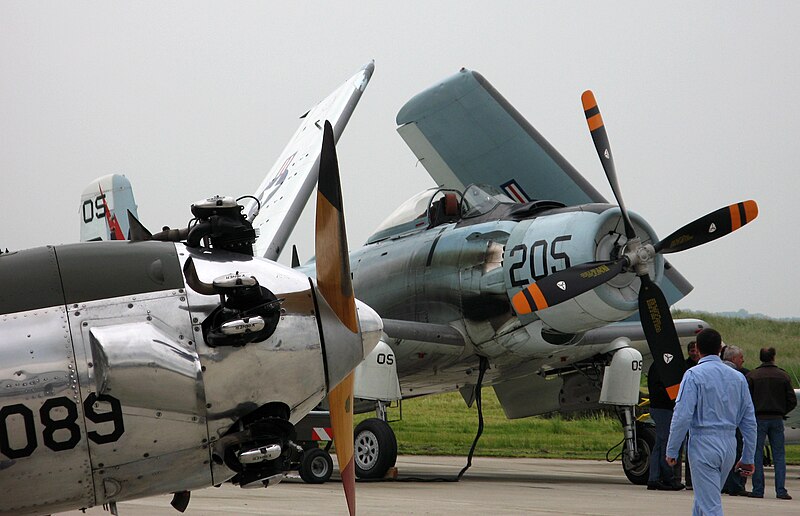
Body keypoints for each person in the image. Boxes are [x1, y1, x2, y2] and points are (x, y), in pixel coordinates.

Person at [666, 329, 756, 516]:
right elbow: (749, 421)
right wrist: (747, 457)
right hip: (729, 445)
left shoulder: (693, 375)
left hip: (703, 443)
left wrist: (672, 449)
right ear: (720, 349)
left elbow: (682, 416)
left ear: (697, 349)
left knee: (710, 506)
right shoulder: (738, 377)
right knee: (704, 500)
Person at [746, 347, 797, 500]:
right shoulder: (783, 375)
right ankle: (780, 490)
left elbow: (746, 400)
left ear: (761, 358)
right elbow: (792, 400)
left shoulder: (752, 375)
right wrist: (782, 411)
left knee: (757, 454)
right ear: (773, 357)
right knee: (779, 455)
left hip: (758, 419)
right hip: (776, 419)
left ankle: (758, 489)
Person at [647, 362, 685, 490]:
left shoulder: (657, 366)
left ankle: (655, 477)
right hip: (663, 408)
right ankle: (667, 477)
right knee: (665, 442)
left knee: (660, 442)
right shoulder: (662, 367)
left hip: (659, 406)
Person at [720, 345, 750, 496]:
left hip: (712, 426)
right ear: (733, 359)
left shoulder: (710, 373)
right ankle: (735, 485)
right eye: (740, 357)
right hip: (733, 423)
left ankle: (723, 484)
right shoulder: (740, 377)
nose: (743, 360)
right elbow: (746, 407)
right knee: (735, 453)